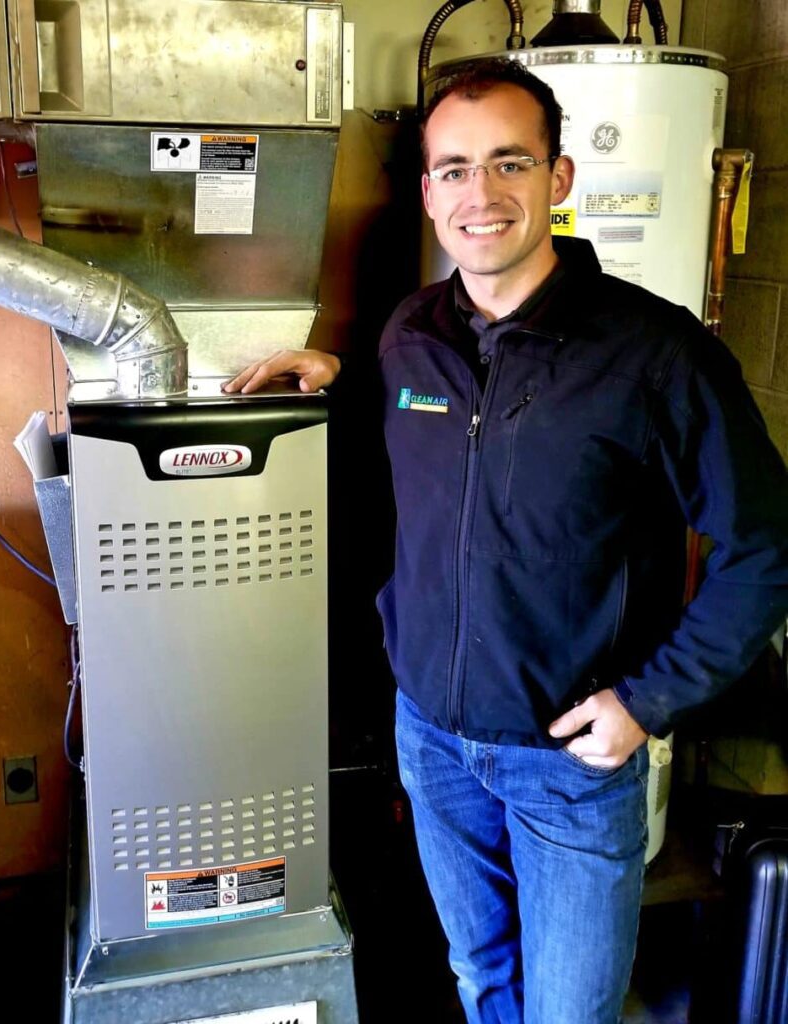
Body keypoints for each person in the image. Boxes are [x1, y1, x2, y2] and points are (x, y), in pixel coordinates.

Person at [225, 59, 788, 1024]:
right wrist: (338, 373)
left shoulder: (655, 353)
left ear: (558, 180)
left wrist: (647, 702)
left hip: (568, 760)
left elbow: (765, 544)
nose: (478, 195)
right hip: (432, 743)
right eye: (452, 169)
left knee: (569, 1010)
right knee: (482, 980)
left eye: (508, 163)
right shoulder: (411, 335)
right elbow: (424, 424)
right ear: (427, 192)